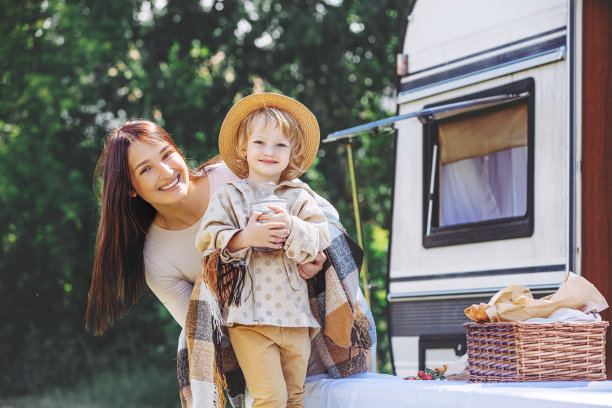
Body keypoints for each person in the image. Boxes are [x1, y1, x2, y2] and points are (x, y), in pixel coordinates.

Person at [84, 120, 329, 359]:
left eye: (167, 154)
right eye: (145, 169)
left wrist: (309, 247)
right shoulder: (156, 258)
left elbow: (321, 213)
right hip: (258, 358)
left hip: (320, 324)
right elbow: (203, 335)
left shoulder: (234, 174)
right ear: (130, 188)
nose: (166, 172)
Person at [195, 93, 328, 408]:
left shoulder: (300, 196)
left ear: (292, 151)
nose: (270, 151)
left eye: (280, 145)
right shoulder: (231, 196)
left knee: (295, 397)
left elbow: (322, 236)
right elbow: (206, 238)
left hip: (295, 316)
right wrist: (245, 236)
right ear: (244, 147)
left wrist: (293, 226)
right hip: (249, 319)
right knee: (270, 398)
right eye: (260, 143)